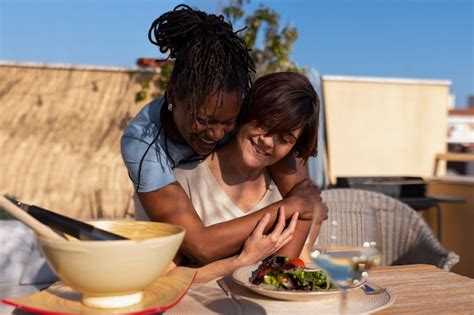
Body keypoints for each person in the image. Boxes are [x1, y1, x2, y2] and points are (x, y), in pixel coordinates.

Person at [121, 4, 321, 266]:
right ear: (172, 95)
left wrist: (301, 203)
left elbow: (302, 195)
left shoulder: (241, 107)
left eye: (228, 122)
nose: (215, 134)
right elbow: (200, 246)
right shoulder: (143, 143)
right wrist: (289, 206)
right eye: (203, 120)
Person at [169, 73, 326, 277]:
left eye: (284, 139)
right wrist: (241, 262)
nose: (268, 141)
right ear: (247, 113)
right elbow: (166, 277)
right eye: (264, 125)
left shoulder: (289, 191)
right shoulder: (184, 181)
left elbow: (286, 275)